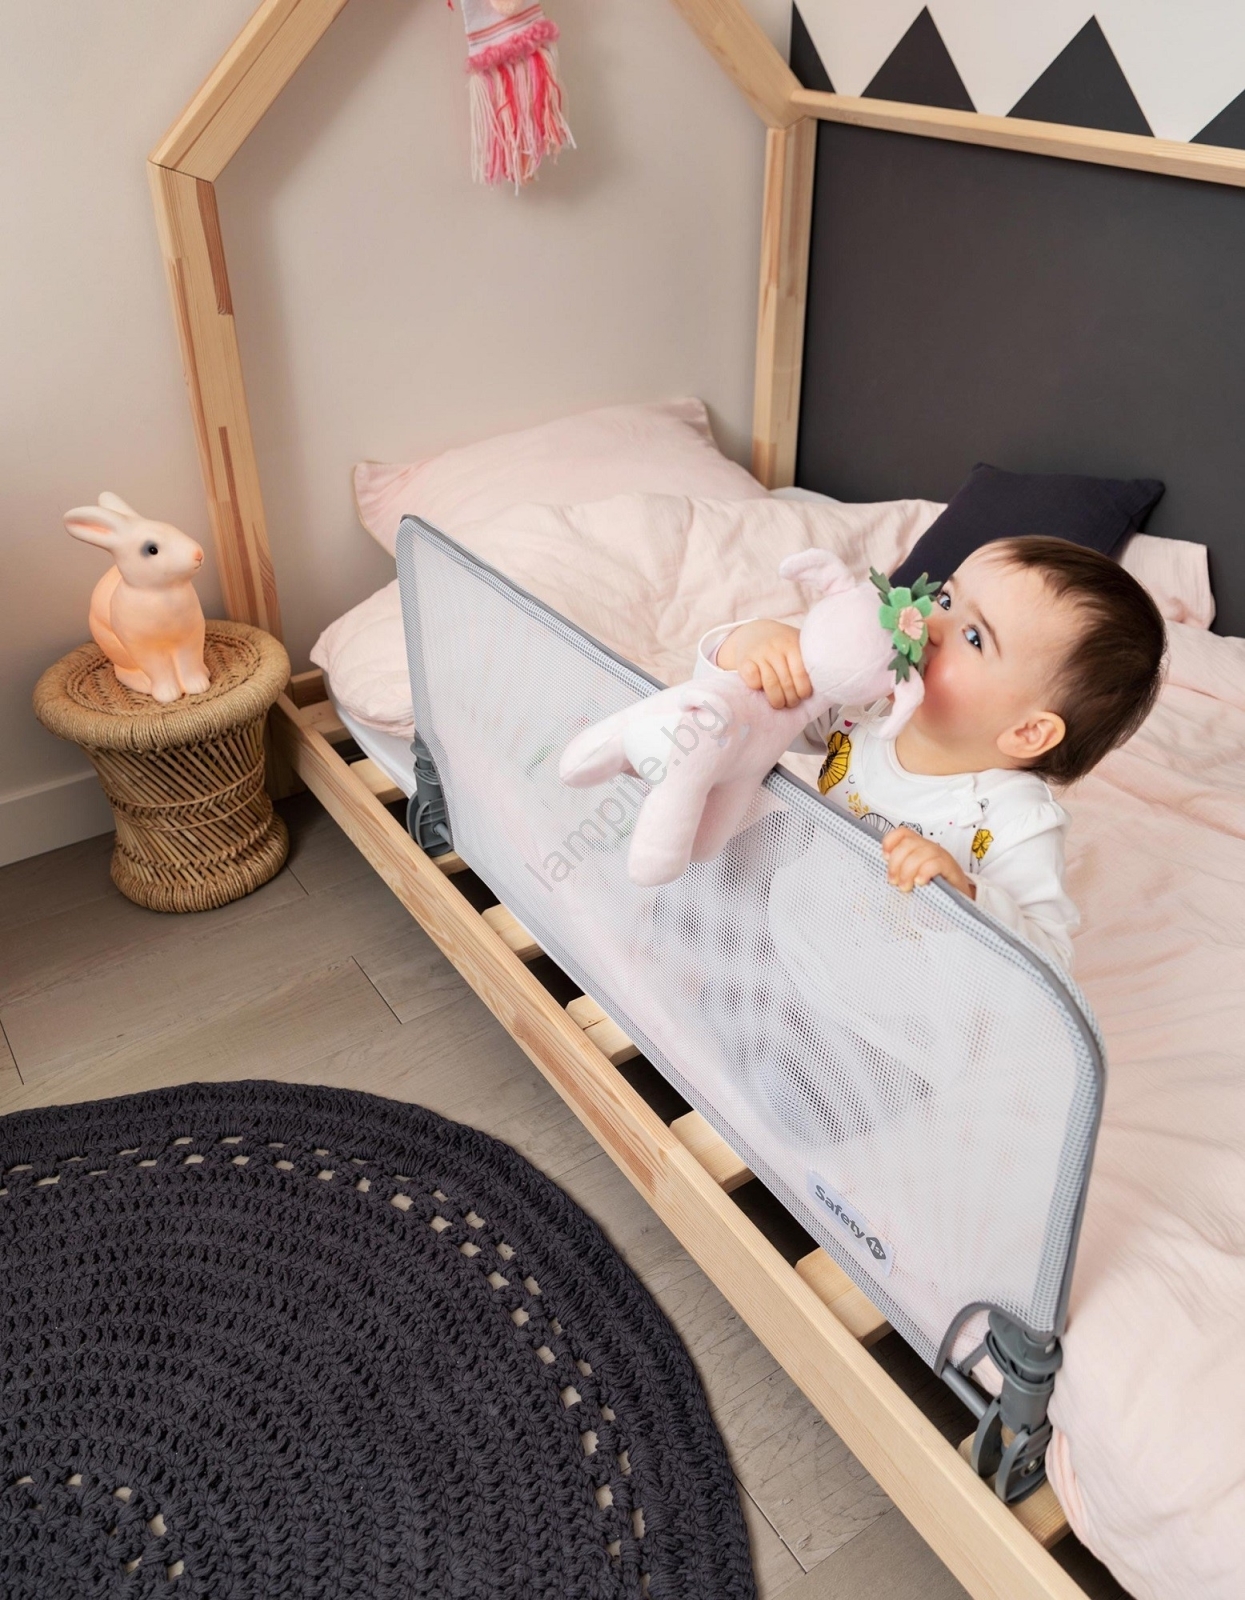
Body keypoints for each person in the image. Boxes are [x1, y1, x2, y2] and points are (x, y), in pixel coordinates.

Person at [696, 536, 1166, 969]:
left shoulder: (1016, 821)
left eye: (974, 637)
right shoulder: (867, 708)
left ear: (1027, 732)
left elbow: (1048, 961)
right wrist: (751, 647)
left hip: (888, 1010)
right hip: (788, 933)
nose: (932, 626)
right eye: (944, 599)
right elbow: (738, 720)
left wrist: (965, 895)